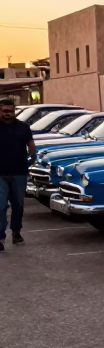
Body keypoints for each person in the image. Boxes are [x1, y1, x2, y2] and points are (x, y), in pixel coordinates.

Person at [0, 96, 36, 251]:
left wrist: (33, 158)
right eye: (4, 111)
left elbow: (30, 143)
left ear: (14, 111)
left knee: (18, 204)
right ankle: (0, 236)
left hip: (19, 173)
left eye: (10, 111)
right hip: (0, 174)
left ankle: (16, 232)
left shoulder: (23, 127)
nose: (7, 114)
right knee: (1, 206)